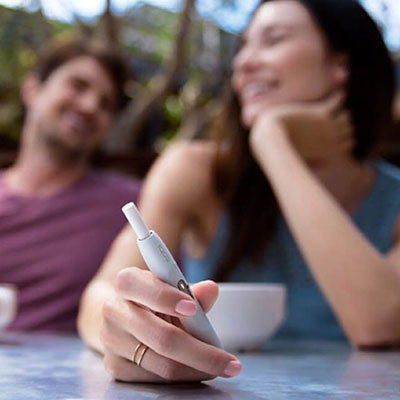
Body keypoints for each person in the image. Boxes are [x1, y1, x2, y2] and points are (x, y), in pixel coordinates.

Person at [78, 0, 400, 383]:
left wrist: (272, 142)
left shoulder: (393, 198)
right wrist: (123, 330)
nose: (243, 63)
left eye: (273, 40)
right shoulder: (196, 171)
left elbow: (379, 323)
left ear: (340, 65)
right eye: (244, 46)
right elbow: (101, 294)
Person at [0, 38, 141, 331]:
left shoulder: (132, 208)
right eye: (78, 86)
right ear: (32, 89)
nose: (90, 106)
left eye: (106, 104)